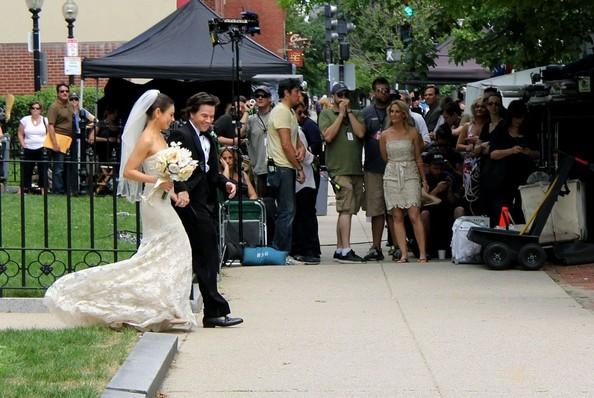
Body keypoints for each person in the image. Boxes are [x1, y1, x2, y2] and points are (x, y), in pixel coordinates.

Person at [44, 90, 197, 331]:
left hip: (163, 200)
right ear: (157, 112)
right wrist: (156, 182)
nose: (172, 118)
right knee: (170, 250)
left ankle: (165, 307)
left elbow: (163, 172)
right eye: (170, 114)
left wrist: (174, 189)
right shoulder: (147, 138)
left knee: (166, 254)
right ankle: (154, 305)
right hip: (153, 204)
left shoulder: (160, 136)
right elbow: (129, 171)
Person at [168, 92, 243, 328]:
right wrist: (181, 189)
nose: (208, 120)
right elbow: (173, 166)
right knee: (207, 253)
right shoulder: (181, 133)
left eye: (211, 116)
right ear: (191, 112)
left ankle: (212, 310)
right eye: (204, 115)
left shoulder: (209, 137)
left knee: (207, 254)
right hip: (188, 203)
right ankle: (214, 309)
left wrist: (226, 182)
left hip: (205, 201)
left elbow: (210, 172)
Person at [319, 82, 366, 263]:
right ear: (333, 97)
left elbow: (361, 134)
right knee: (345, 209)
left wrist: (349, 113)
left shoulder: (357, 114)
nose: (343, 98)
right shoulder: (326, 114)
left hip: (355, 169)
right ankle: (346, 249)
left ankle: (340, 248)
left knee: (348, 211)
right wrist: (340, 114)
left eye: (346, 95)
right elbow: (328, 136)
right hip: (339, 170)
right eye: (339, 95)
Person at [380, 100, 428, 263]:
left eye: (397, 111)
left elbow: (418, 156)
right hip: (392, 172)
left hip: (410, 172)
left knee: (414, 213)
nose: (393, 114)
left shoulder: (413, 132)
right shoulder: (385, 134)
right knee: (397, 215)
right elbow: (384, 157)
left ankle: (422, 253)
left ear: (403, 114)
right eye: (391, 111)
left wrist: (424, 179)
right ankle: (404, 253)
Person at [481, 100, 540, 226]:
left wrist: (528, 152)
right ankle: (503, 231)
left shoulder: (528, 131)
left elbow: (538, 153)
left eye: (521, 118)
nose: (519, 121)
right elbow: (493, 154)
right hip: (502, 179)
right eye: (516, 117)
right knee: (503, 210)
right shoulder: (501, 129)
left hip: (523, 177)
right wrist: (511, 151)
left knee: (521, 210)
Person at [266, 78, 306, 254]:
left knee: (288, 210)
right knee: (286, 211)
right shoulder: (281, 111)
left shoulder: (289, 112)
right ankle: (280, 250)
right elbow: (285, 144)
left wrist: (302, 149)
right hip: (282, 167)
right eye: (296, 91)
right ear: (286, 93)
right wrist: (299, 167)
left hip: (287, 165)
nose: (299, 95)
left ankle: (283, 249)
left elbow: (295, 140)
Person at [360, 77, 391, 261]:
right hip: (373, 167)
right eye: (379, 90)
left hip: (393, 167)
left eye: (386, 90)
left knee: (395, 209)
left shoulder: (395, 111)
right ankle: (376, 246)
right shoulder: (366, 112)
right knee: (376, 208)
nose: (383, 93)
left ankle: (396, 244)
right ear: (373, 92)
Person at [291, 101, 321, 264]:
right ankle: (309, 249)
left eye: (304, 113)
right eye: (299, 113)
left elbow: (304, 156)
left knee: (305, 216)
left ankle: (309, 250)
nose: (303, 117)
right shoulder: (296, 132)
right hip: (302, 181)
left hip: (304, 181)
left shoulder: (298, 132)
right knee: (305, 216)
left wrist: (310, 157)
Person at [242, 86, 273, 196]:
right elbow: (240, 133)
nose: (260, 98)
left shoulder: (275, 116)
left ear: (270, 99)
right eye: (257, 96)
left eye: (263, 96)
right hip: (259, 169)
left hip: (277, 166)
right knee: (264, 202)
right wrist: (246, 111)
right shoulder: (251, 119)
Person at [46, 83, 75, 194]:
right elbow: (51, 126)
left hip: (69, 139)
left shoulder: (70, 105)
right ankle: (58, 190)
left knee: (67, 165)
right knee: (58, 167)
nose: (65, 93)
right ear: (58, 93)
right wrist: (55, 143)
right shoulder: (54, 107)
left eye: (67, 91)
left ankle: (68, 188)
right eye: (62, 91)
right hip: (58, 138)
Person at [17, 101, 48, 193]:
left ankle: (43, 189)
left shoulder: (45, 120)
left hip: (41, 147)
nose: (35, 110)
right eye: (33, 108)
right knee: (26, 169)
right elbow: (20, 133)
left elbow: (49, 134)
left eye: (37, 108)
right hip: (28, 147)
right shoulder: (25, 120)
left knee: (42, 170)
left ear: (40, 110)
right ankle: (24, 189)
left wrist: (46, 145)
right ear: (30, 110)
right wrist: (23, 145)